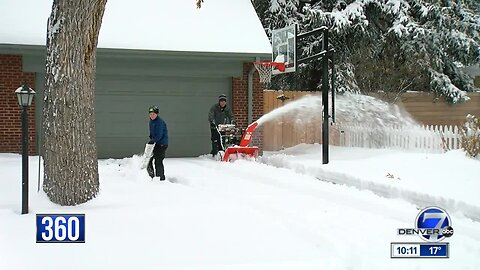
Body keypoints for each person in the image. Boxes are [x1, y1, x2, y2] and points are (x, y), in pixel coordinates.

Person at [147, 105, 169, 180]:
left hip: (162, 144)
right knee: (148, 160)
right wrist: (151, 138)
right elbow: (152, 133)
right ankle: (151, 176)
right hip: (156, 143)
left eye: (153, 114)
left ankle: (161, 178)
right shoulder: (151, 121)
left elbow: (159, 135)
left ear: (157, 114)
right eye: (150, 114)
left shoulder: (159, 122)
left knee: (158, 161)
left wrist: (153, 140)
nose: (152, 116)